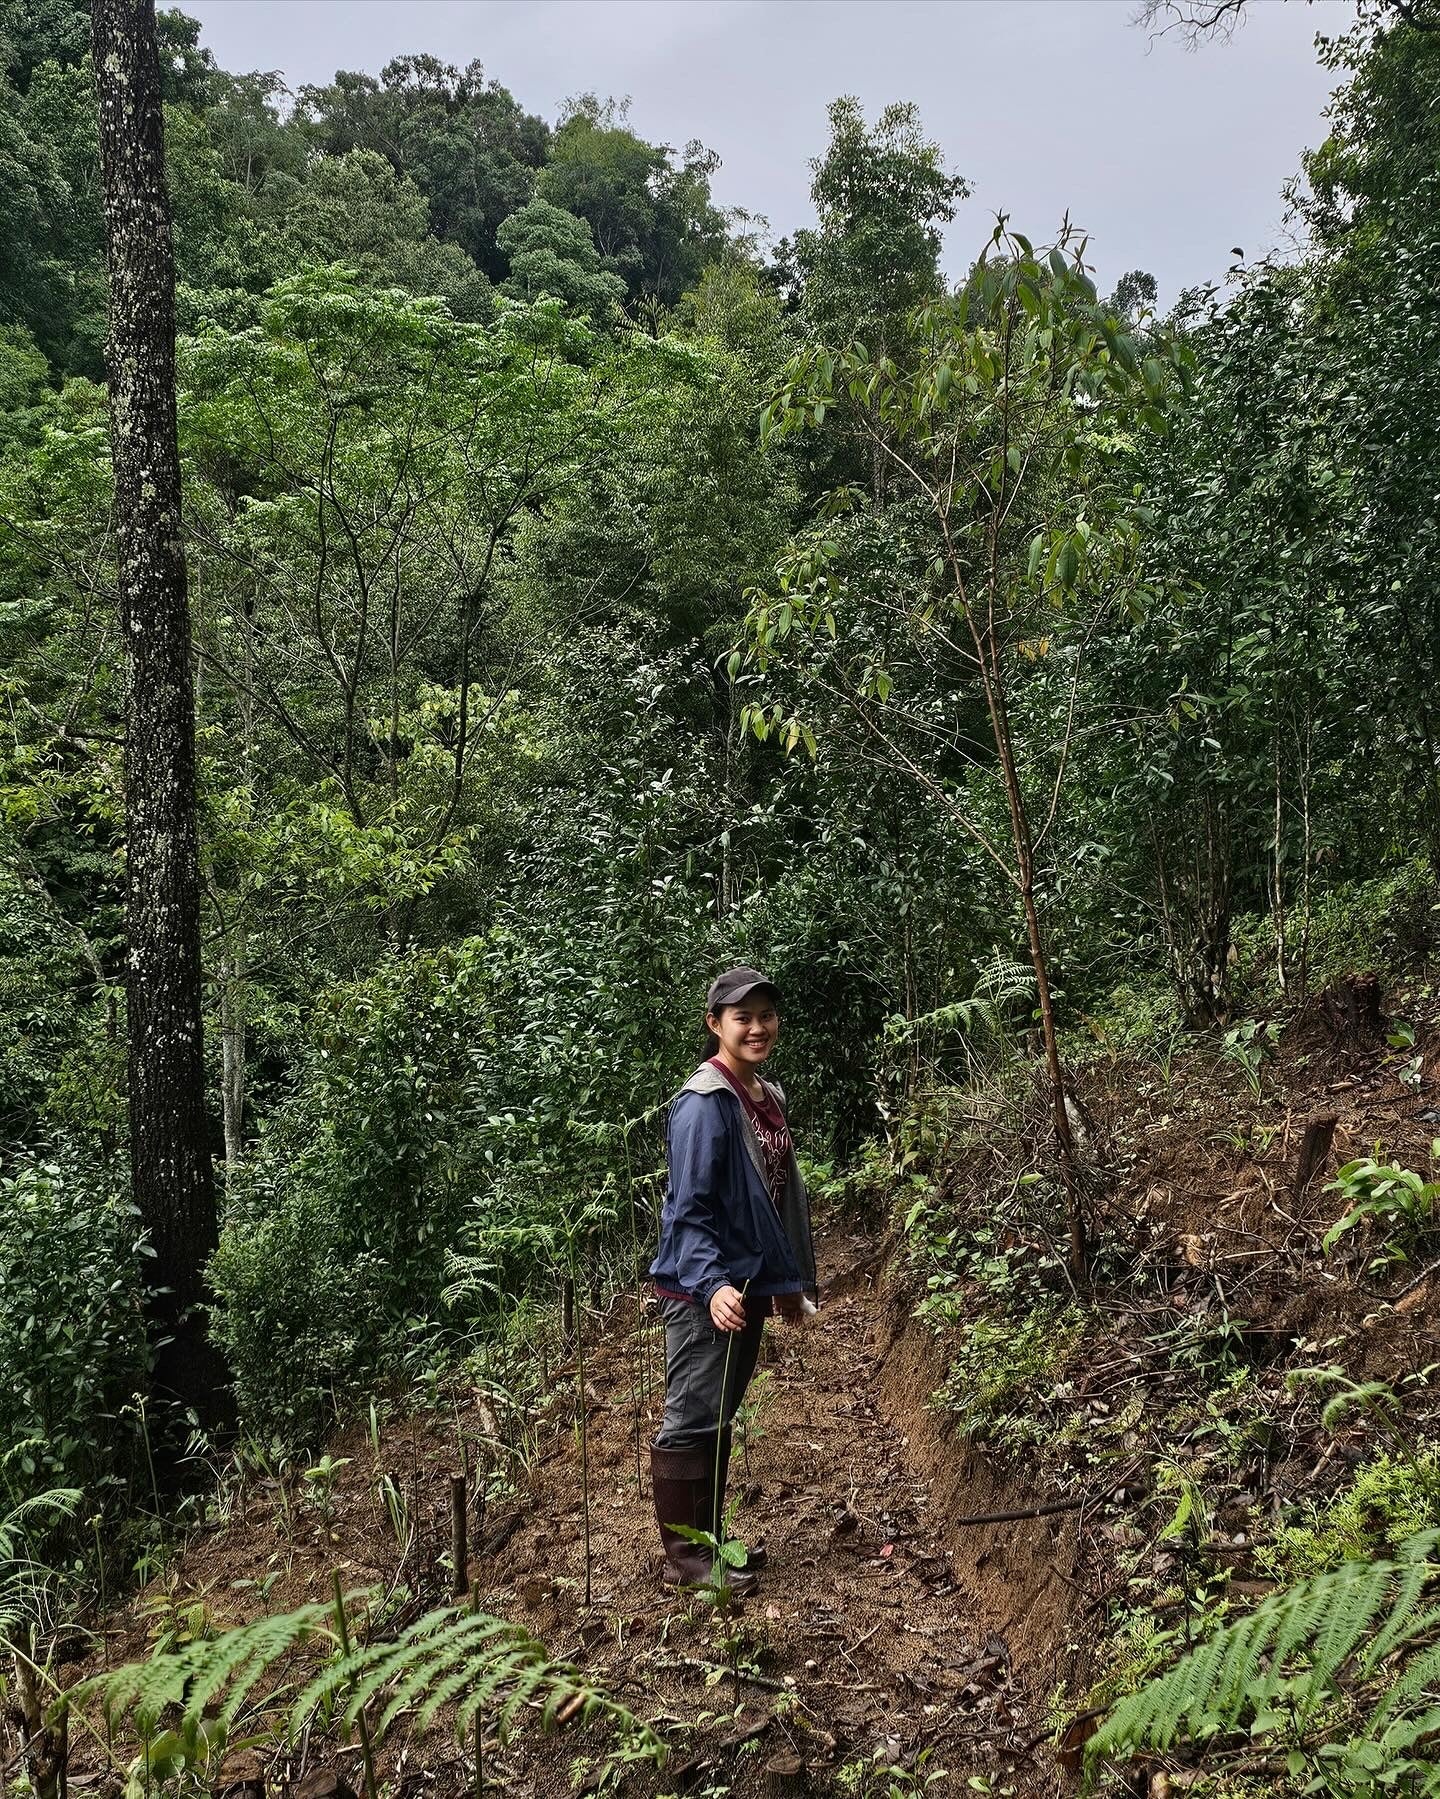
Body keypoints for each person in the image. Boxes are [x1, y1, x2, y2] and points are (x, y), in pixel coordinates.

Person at [647, 966, 818, 1593]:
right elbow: (688, 1209)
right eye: (742, 1017)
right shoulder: (704, 1103)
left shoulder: (765, 1096)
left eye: (765, 1015)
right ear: (715, 1024)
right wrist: (713, 1284)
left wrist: (785, 1282)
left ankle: (710, 1542)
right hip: (705, 1291)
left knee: (718, 1415)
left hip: (744, 1286)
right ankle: (688, 1560)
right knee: (691, 1419)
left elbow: (771, 1200)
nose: (757, 1027)